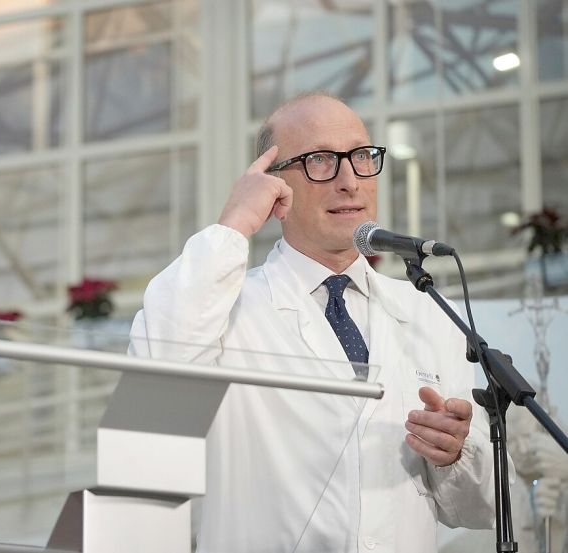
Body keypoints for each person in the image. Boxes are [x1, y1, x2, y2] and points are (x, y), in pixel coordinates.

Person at [129, 92, 498, 552]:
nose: (350, 181)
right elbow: (154, 378)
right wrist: (234, 224)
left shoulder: (426, 310)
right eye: (321, 160)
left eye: (362, 156)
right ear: (273, 186)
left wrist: (456, 454)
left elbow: (482, 507)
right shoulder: (226, 308)